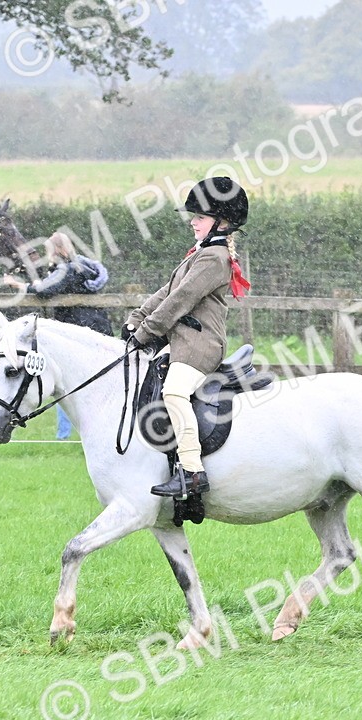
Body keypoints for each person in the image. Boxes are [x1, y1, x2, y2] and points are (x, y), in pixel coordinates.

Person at [123, 176, 250, 498]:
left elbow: (182, 300)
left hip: (200, 346)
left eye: (200, 217)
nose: (193, 222)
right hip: (183, 343)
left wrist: (147, 332)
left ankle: (193, 471)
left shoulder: (213, 258)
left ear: (221, 223)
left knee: (174, 393)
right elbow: (167, 292)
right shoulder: (200, 253)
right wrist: (136, 319)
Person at [4, 232, 111, 440]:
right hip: (96, 327)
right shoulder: (82, 268)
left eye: (49, 251)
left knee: (67, 382)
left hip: (79, 331)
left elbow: (45, 289)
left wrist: (17, 285)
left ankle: (64, 435)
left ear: (57, 250)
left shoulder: (66, 270)